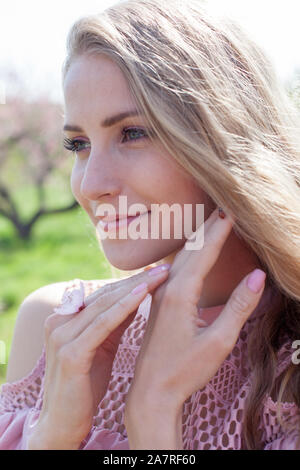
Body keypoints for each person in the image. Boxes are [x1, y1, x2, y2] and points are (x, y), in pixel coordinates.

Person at [0, 0, 300, 450]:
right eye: (78, 143)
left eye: (132, 133)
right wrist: (52, 435)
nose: (90, 184)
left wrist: (152, 411)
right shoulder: (54, 330)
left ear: (222, 140)